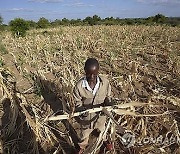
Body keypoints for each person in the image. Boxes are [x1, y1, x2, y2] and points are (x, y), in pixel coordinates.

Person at [73, 58, 113, 154]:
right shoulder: (79, 86)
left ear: (98, 71)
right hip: (86, 120)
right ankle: (81, 147)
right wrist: (80, 110)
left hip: (100, 117)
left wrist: (109, 103)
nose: (91, 77)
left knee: (102, 131)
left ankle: (105, 141)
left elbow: (108, 97)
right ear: (85, 71)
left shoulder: (105, 83)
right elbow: (77, 101)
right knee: (84, 135)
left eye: (94, 74)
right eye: (88, 74)